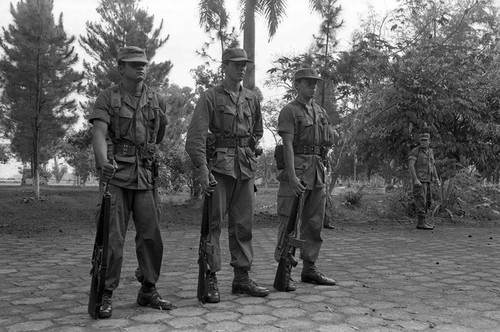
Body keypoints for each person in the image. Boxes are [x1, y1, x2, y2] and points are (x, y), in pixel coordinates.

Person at [89, 46, 171, 318]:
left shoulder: (156, 99)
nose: (141, 68)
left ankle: (148, 289)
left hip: (145, 176)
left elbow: (157, 136)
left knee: (151, 237)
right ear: (120, 67)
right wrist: (103, 164)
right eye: (134, 64)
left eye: (144, 63)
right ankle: (106, 293)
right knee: (112, 239)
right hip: (117, 177)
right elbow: (99, 133)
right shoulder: (108, 97)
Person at [185, 48, 270, 303]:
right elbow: (195, 137)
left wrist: (247, 147)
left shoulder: (252, 98)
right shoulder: (210, 96)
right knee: (212, 225)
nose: (241, 68)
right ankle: (210, 276)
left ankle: (241, 278)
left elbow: (257, 129)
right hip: (219, 169)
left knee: (244, 225)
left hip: (244, 169)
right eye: (236, 64)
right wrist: (202, 168)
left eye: (244, 64)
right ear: (225, 66)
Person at [275, 68, 336, 291]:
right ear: (297, 85)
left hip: (317, 172)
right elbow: (288, 145)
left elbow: (325, 144)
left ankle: (309, 268)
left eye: (315, 83)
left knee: (314, 222)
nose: (313, 86)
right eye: (308, 82)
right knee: (289, 223)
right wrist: (291, 176)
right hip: (298, 171)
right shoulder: (289, 111)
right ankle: (284, 268)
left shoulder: (320, 112)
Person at [408, 132, 440, 230]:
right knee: (421, 201)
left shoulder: (430, 152)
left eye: (425, 140)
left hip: (428, 180)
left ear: (429, 141)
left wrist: (436, 178)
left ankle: (424, 221)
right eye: (421, 140)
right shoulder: (416, 151)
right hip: (420, 181)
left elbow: (433, 166)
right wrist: (416, 179)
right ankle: (420, 223)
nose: (423, 142)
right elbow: (411, 165)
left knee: (428, 201)